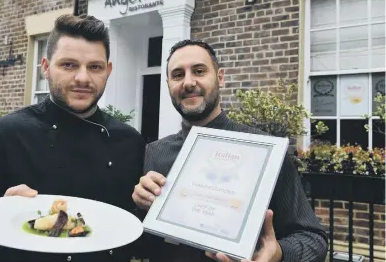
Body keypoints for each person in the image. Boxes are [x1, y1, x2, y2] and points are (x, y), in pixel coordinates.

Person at [0, 14, 146, 262]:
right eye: (68, 65)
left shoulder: (130, 141)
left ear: (108, 71)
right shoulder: (3, 135)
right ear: (46, 67)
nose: (83, 78)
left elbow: (137, 232)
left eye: (95, 67)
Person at [132, 39, 328, 262]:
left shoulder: (263, 151)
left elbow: (314, 239)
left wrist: (279, 253)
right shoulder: (154, 153)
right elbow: (141, 246)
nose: (188, 82)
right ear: (168, 84)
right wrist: (140, 207)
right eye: (178, 75)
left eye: (199, 71)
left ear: (220, 77)